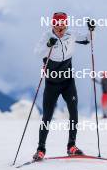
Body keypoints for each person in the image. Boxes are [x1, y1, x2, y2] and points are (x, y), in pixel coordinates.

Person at [33, 12, 94, 160]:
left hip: (68, 81)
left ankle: (71, 146)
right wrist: (48, 45)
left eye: (63, 25)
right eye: (57, 25)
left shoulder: (71, 34)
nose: (60, 29)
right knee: (47, 116)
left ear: (66, 25)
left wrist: (91, 30)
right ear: (53, 25)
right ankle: (41, 149)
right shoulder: (47, 35)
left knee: (73, 113)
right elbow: (36, 53)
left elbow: (87, 39)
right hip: (52, 82)